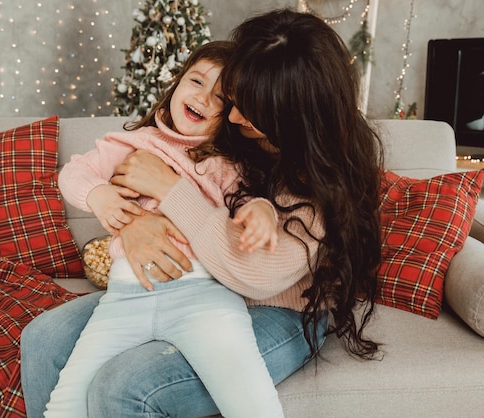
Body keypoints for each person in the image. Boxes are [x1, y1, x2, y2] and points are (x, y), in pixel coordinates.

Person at [21, 8, 384, 417]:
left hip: (275, 306)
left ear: (291, 112)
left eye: (246, 104)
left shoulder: (325, 173)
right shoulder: (231, 135)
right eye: (236, 96)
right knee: (44, 337)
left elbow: (257, 274)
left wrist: (168, 187)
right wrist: (137, 223)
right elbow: (115, 185)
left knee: (123, 385)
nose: (231, 115)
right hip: (190, 284)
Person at [43, 40, 284, 418]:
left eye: (221, 97)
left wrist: (262, 213)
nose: (204, 99)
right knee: (65, 405)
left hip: (202, 296)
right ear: (176, 84)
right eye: (196, 81)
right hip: (124, 298)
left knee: (250, 401)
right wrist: (99, 194)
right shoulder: (131, 144)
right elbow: (74, 172)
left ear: (232, 115)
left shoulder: (225, 164)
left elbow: (246, 201)